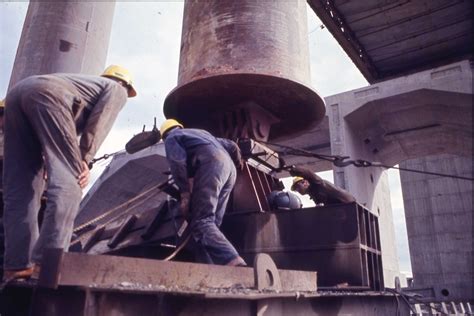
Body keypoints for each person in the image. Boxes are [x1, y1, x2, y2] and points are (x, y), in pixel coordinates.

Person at [2, 65, 136, 281]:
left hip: (17, 96)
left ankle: (17, 265)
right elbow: (101, 120)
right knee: (70, 184)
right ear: (126, 85)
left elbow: (51, 135)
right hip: (47, 95)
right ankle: (47, 263)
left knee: (20, 189)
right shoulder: (116, 88)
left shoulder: (80, 85)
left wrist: (49, 162)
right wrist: (84, 158)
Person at [160, 119, 246, 266]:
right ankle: (210, 267)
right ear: (180, 126)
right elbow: (232, 146)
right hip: (230, 171)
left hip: (212, 165)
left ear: (164, 135)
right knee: (212, 224)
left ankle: (232, 260)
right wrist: (239, 163)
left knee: (201, 221)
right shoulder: (201, 134)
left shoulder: (171, 138)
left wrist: (185, 194)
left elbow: (177, 163)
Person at [290, 166, 356, 205]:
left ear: (305, 182)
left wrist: (292, 169)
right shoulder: (314, 194)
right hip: (342, 208)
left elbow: (308, 173)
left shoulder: (317, 184)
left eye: (298, 186)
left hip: (347, 204)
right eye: (296, 189)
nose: (298, 190)